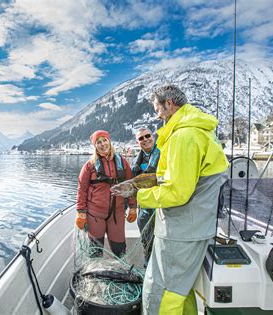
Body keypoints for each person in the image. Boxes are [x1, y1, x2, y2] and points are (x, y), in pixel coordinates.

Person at [136, 85, 229, 314]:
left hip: (181, 230)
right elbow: (183, 179)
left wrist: (139, 195)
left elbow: (178, 192)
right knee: (181, 289)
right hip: (195, 225)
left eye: (158, 107)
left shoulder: (184, 136)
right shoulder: (200, 130)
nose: (157, 114)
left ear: (169, 104)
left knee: (160, 291)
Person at [76, 130, 137, 258]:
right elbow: (82, 189)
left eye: (104, 140)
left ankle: (120, 272)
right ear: (95, 146)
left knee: (119, 249)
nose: (102, 144)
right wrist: (81, 212)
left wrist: (132, 208)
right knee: (95, 250)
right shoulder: (89, 166)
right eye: (98, 142)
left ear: (109, 141)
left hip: (117, 213)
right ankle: (95, 274)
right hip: (95, 214)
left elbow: (131, 186)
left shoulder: (123, 163)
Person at [132, 127, 160, 264]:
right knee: (146, 241)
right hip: (143, 207)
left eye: (147, 135)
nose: (145, 139)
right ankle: (148, 267)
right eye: (141, 138)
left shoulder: (163, 153)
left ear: (153, 136)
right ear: (137, 142)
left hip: (159, 206)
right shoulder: (138, 159)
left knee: (159, 242)